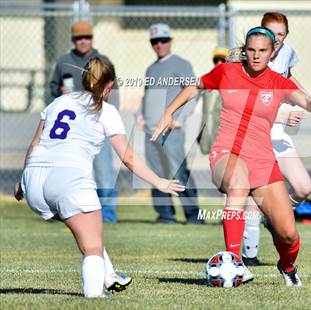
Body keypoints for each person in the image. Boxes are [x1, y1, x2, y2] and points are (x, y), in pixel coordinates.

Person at [151, 26, 311, 286]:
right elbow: (195, 86)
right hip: (227, 152)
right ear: (245, 51)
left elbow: (301, 98)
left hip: (263, 161)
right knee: (238, 183)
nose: (256, 55)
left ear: (272, 54)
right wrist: (169, 112)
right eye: (251, 50)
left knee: (288, 234)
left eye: (263, 51)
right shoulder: (227, 72)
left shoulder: (278, 82)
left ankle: (287, 267)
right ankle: (233, 264)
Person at [15, 58, 184, 297]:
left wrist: (23, 178)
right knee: (93, 245)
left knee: (82, 227)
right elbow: (128, 157)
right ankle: (94, 296)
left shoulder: (59, 101)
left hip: (33, 179)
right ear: (110, 85)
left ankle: (109, 274)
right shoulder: (106, 110)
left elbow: (35, 144)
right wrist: (159, 182)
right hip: (67, 179)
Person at [242, 12, 311, 266]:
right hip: (256, 134)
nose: (277, 39)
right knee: (255, 198)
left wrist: (307, 97)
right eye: (272, 33)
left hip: (277, 133)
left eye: (281, 34)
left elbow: (288, 75)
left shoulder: (285, 52)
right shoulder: (251, 59)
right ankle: (247, 257)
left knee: (303, 187)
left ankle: (274, 218)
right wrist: (282, 116)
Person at [48, 20, 119, 224]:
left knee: (104, 172)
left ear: (92, 39)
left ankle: (107, 215)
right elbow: (52, 88)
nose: (83, 41)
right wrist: (58, 92)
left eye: (86, 37)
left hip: (96, 124)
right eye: (79, 38)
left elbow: (115, 90)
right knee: (70, 172)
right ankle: (67, 212)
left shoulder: (102, 61)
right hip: (72, 130)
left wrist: (110, 119)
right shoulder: (63, 62)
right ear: (73, 40)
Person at [135, 23, 202, 224]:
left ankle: (193, 216)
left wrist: (179, 119)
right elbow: (147, 96)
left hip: (171, 131)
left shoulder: (182, 64)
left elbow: (193, 93)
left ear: (170, 41)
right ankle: (165, 215)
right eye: (155, 41)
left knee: (178, 171)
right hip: (150, 132)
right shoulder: (151, 69)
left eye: (163, 40)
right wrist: (140, 114)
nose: (159, 44)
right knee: (156, 174)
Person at [198, 47, 229, 155]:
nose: (219, 63)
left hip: (223, 133)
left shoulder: (232, 82)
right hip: (208, 130)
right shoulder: (207, 80)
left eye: (223, 60)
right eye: (216, 61)